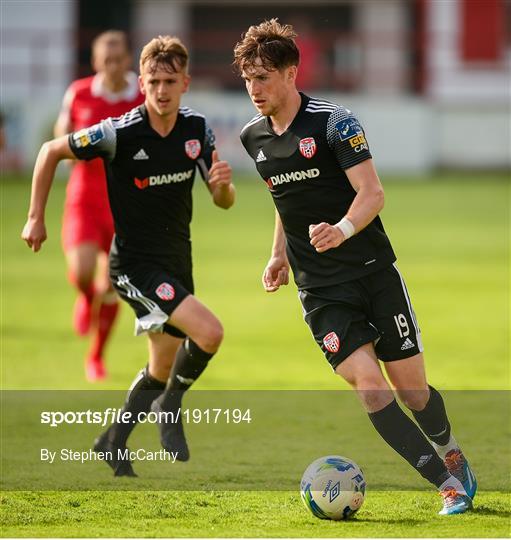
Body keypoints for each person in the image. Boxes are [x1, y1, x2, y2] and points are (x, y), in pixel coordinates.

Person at [234, 19, 476, 516]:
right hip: (320, 289)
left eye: (262, 77)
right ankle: (447, 485)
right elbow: (283, 200)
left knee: (412, 389)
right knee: (370, 387)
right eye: (247, 79)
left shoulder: (333, 122)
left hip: (372, 271)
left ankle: (450, 448)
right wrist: (278, 253)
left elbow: (373, 193)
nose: (254, 89)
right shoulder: (252, 137)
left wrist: (341, 229)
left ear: (291, 73)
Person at [22, 35, 235, 476]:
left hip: (178, 259)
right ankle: (170, 407)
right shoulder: (118, 132)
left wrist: (223, 187)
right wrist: (35, 218)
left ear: (185, 83)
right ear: (141, 82)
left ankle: (112, 441)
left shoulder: (197, 130)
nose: (161, 90)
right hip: (134, 265)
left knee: (161, 366)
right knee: (209, 333)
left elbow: (223, 202)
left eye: (170, 81)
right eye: (154, 80)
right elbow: (50, 151)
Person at [54, 30, 144, 381]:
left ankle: (96, 356)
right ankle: (83, 296)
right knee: (82, 272)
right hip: (85, 199)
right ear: (95, 62)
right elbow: (62, 134)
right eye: (105, 59)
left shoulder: (142, 93)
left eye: (118, 58)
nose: (112, 65)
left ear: (127, 59)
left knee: (111, 286)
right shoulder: (79, 93)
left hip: (125, 202)